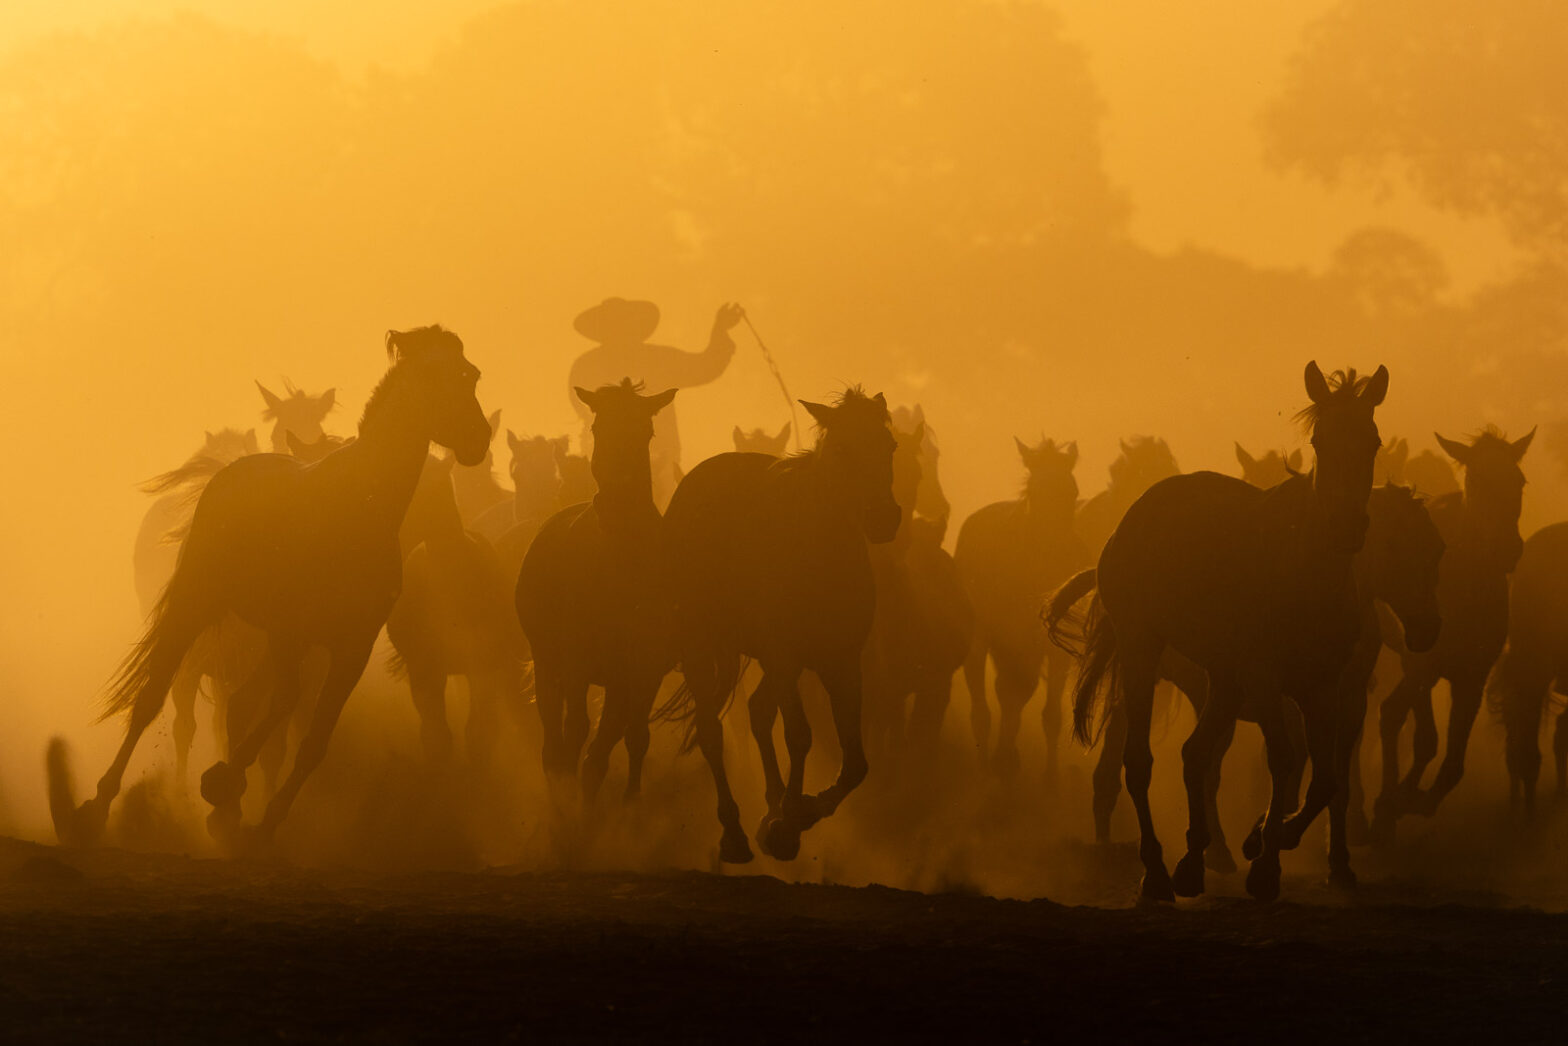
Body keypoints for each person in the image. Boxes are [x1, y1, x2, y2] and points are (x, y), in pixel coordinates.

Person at [568, 298, 744, 507]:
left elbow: (703, 367)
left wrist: (720, 331)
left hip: (660, 457)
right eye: (615, 324)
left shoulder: (657, 358)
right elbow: (583, 406)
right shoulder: (588, 365)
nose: (621, 329)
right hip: (604, 461)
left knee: (667, 503)